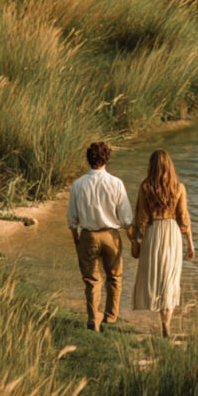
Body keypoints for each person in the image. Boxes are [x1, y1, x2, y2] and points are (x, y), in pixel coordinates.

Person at [67, 141, 133, 332]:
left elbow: (72, 219)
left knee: (91, 280)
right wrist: (133, 239)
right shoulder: (116, 183)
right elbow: (126, 217)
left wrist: (77, 241)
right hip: (111, 235)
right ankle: (110, 318)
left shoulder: (78, 184)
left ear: (88, 159)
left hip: (88, 235)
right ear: (107, 158)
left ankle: (93, 318)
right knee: (114, 277)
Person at [130, 149, 194, 338]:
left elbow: (141, 217)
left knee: (157, 277)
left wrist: (137, 240)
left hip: (153, 233)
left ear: (152, 166)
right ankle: (167, 323)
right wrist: (190, 242)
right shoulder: (179, 187)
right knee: (170, 278)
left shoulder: (145, 187)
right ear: (170, 165)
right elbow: (183, 217)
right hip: (172, 234)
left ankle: (162, 321)